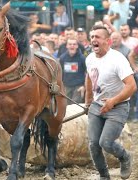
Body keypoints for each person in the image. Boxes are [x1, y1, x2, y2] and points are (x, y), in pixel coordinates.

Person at [85, 25, 135, 179]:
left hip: (117, 107)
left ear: (108, 41)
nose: (93, 40)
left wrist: (113, 101)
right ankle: (104, 176)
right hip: (97, 106)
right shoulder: (90, 58)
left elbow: (132, 86)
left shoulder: (117, 59)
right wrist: (88, 101)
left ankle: (125, 157)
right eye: (92, 37)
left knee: (105, 143)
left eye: (97, 37)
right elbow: (88, 77)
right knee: (93, 144)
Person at [60, 37, 86, 104]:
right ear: (67, 46)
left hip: (78, 87)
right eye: (70, 44)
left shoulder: (82, 58)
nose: (72, 46)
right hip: (66, 87)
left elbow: (87, 73)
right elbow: (60, 73)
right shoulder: (62, 58)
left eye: (74, 44)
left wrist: (84, 86)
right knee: (66, 107)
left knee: (75, 107)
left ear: (77, 46)